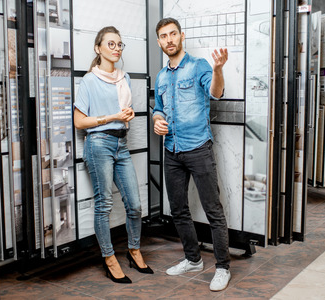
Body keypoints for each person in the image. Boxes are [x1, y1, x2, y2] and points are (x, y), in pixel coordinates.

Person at [153, 17, 231, 292]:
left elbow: (216, 92)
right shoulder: (161, 76)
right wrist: (156, 119)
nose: (169, 39)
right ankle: (193, 259)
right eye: (164, 36)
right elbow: (159, 107)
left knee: (213, 210)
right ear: (160, 41)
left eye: (173, 34)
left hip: (198, 147)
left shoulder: (199, 66)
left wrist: (219, 69)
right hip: (171, 150)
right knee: (178, 209)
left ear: (181, 36)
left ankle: (222, 267)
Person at [73, 26, 153, 284]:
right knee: (104, 204)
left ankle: (133, 250)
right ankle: (108, 258)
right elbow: (79, 121)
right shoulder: (89, 80)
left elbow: (124, 110)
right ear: (98, 48)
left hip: (121, 143)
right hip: (98, 145)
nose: (117, 48)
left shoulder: (124, 77)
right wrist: (113, 117)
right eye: (111, 44)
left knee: (135, 204)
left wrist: (125, 115)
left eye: (119, 44)